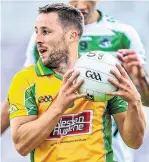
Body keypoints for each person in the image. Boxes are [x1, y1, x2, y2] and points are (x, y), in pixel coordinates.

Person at [8, 3, 145, 162]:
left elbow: (134, 141)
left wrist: (134, 101)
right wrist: (59, 106)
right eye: (36, 32)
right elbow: (22, 145)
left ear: (72, 36)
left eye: (46, 32)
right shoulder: (25, 80)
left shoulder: (104, 73)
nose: (37, 39)